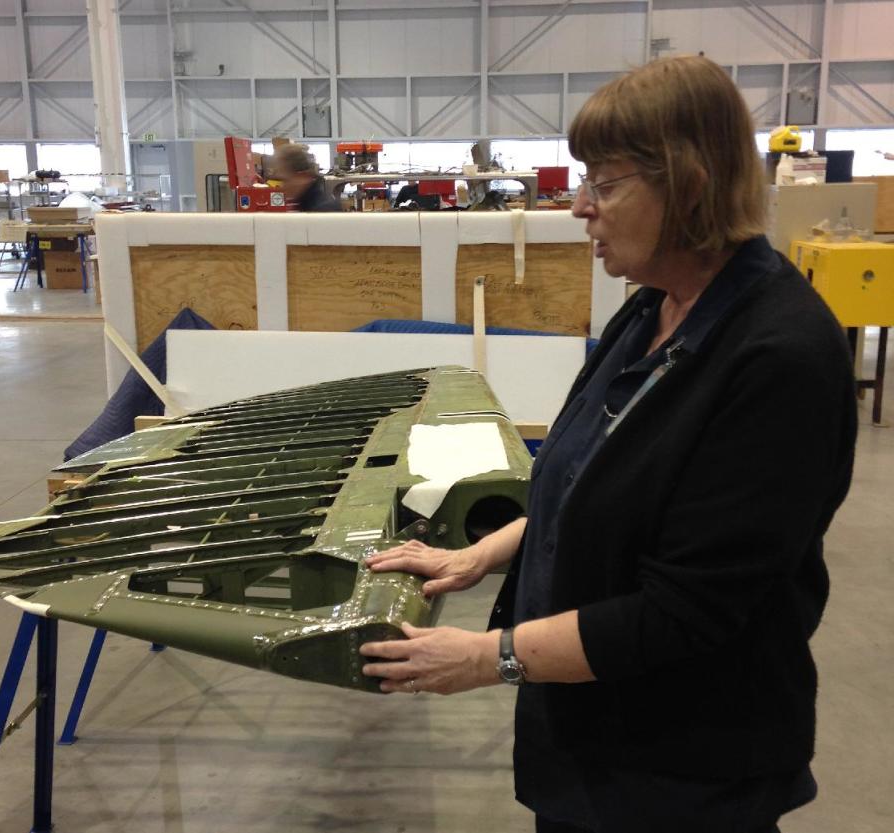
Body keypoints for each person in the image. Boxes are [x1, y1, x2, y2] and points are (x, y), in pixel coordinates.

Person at [360, 55, 858, 833]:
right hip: (595, 740)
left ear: (688, 183)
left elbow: (682, 611)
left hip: (683, 771)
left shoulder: (777, 357)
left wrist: (484, 656)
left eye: (606, 183)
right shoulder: (654, 312)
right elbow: (597, 480)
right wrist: (483, 554)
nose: (579, 207)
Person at [272, 143, 340, 211]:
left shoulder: (322, 211)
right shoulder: (303, 204)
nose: (283, 186)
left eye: (285, 180)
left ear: (302, 176)